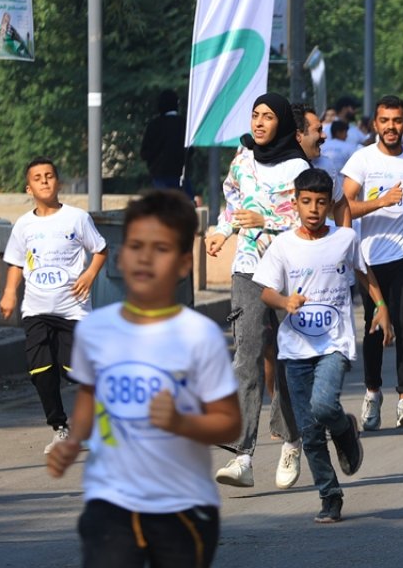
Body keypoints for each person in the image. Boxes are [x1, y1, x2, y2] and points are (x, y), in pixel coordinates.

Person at [47, 190, 240, 567]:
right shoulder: (96, 329)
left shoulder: (199, 336)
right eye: (136, 245)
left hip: (183, 508)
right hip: (110, 503)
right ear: (121, 255)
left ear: (185, 263)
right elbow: (90, 393)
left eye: (161, 248)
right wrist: (74, 441)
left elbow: (229, 423)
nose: (145, 257)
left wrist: (181, 422)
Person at [252, 169, 372, 523]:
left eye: (321, 202)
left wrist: (379, 309)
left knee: (323, 406)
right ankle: (330, 495)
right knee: (309, 432)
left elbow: (365, 273)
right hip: (295, 349)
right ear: (295, 202)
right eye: (307, 202)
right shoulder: (283, 245)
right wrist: (284, 301)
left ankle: (343, 429)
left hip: (334, 343)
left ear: (329, 204)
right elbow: (265, 289)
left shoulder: (346, 238)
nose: (314, 209)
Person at [205, 92, 309, 488]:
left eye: (268, 117)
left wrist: (265, 219)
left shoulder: (298, 166)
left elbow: (305, 215)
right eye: (255, 115)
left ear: (282, 123)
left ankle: (291, 440)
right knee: (245, 356)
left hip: (287, 271)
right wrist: (222, 230)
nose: (260, 123)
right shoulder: (243, 158)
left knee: (285, 358)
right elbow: (233, 201)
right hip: (247, 269)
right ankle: (242, 456)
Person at [0, 158, 108, 454]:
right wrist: (10, 293)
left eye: (49, 176)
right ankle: (61, 428)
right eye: (38, 178)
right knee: (41, 371)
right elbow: (15, 262)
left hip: (73, 311)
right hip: (35, 310)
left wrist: (88, 274)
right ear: (29, 187)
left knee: (73, 369)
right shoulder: (24, 225)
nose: (44, 181)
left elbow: (100, 250)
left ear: (58, 183)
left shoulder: (76, 218)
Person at [342, 95, 403, 430]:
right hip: (372, 255)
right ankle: (372, 391)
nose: (391, 127)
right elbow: (344, 208)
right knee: (375, 324)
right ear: (375, 125)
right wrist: (381, 201)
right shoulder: (361, 160)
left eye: (397, 120)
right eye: (385, 121)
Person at [140, 89, 191, 193]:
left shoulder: (154, 125)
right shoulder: (184, 124)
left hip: (159, 175)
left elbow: (144, 153)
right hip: (180, 174)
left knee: (162, 206)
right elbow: (190, 150)